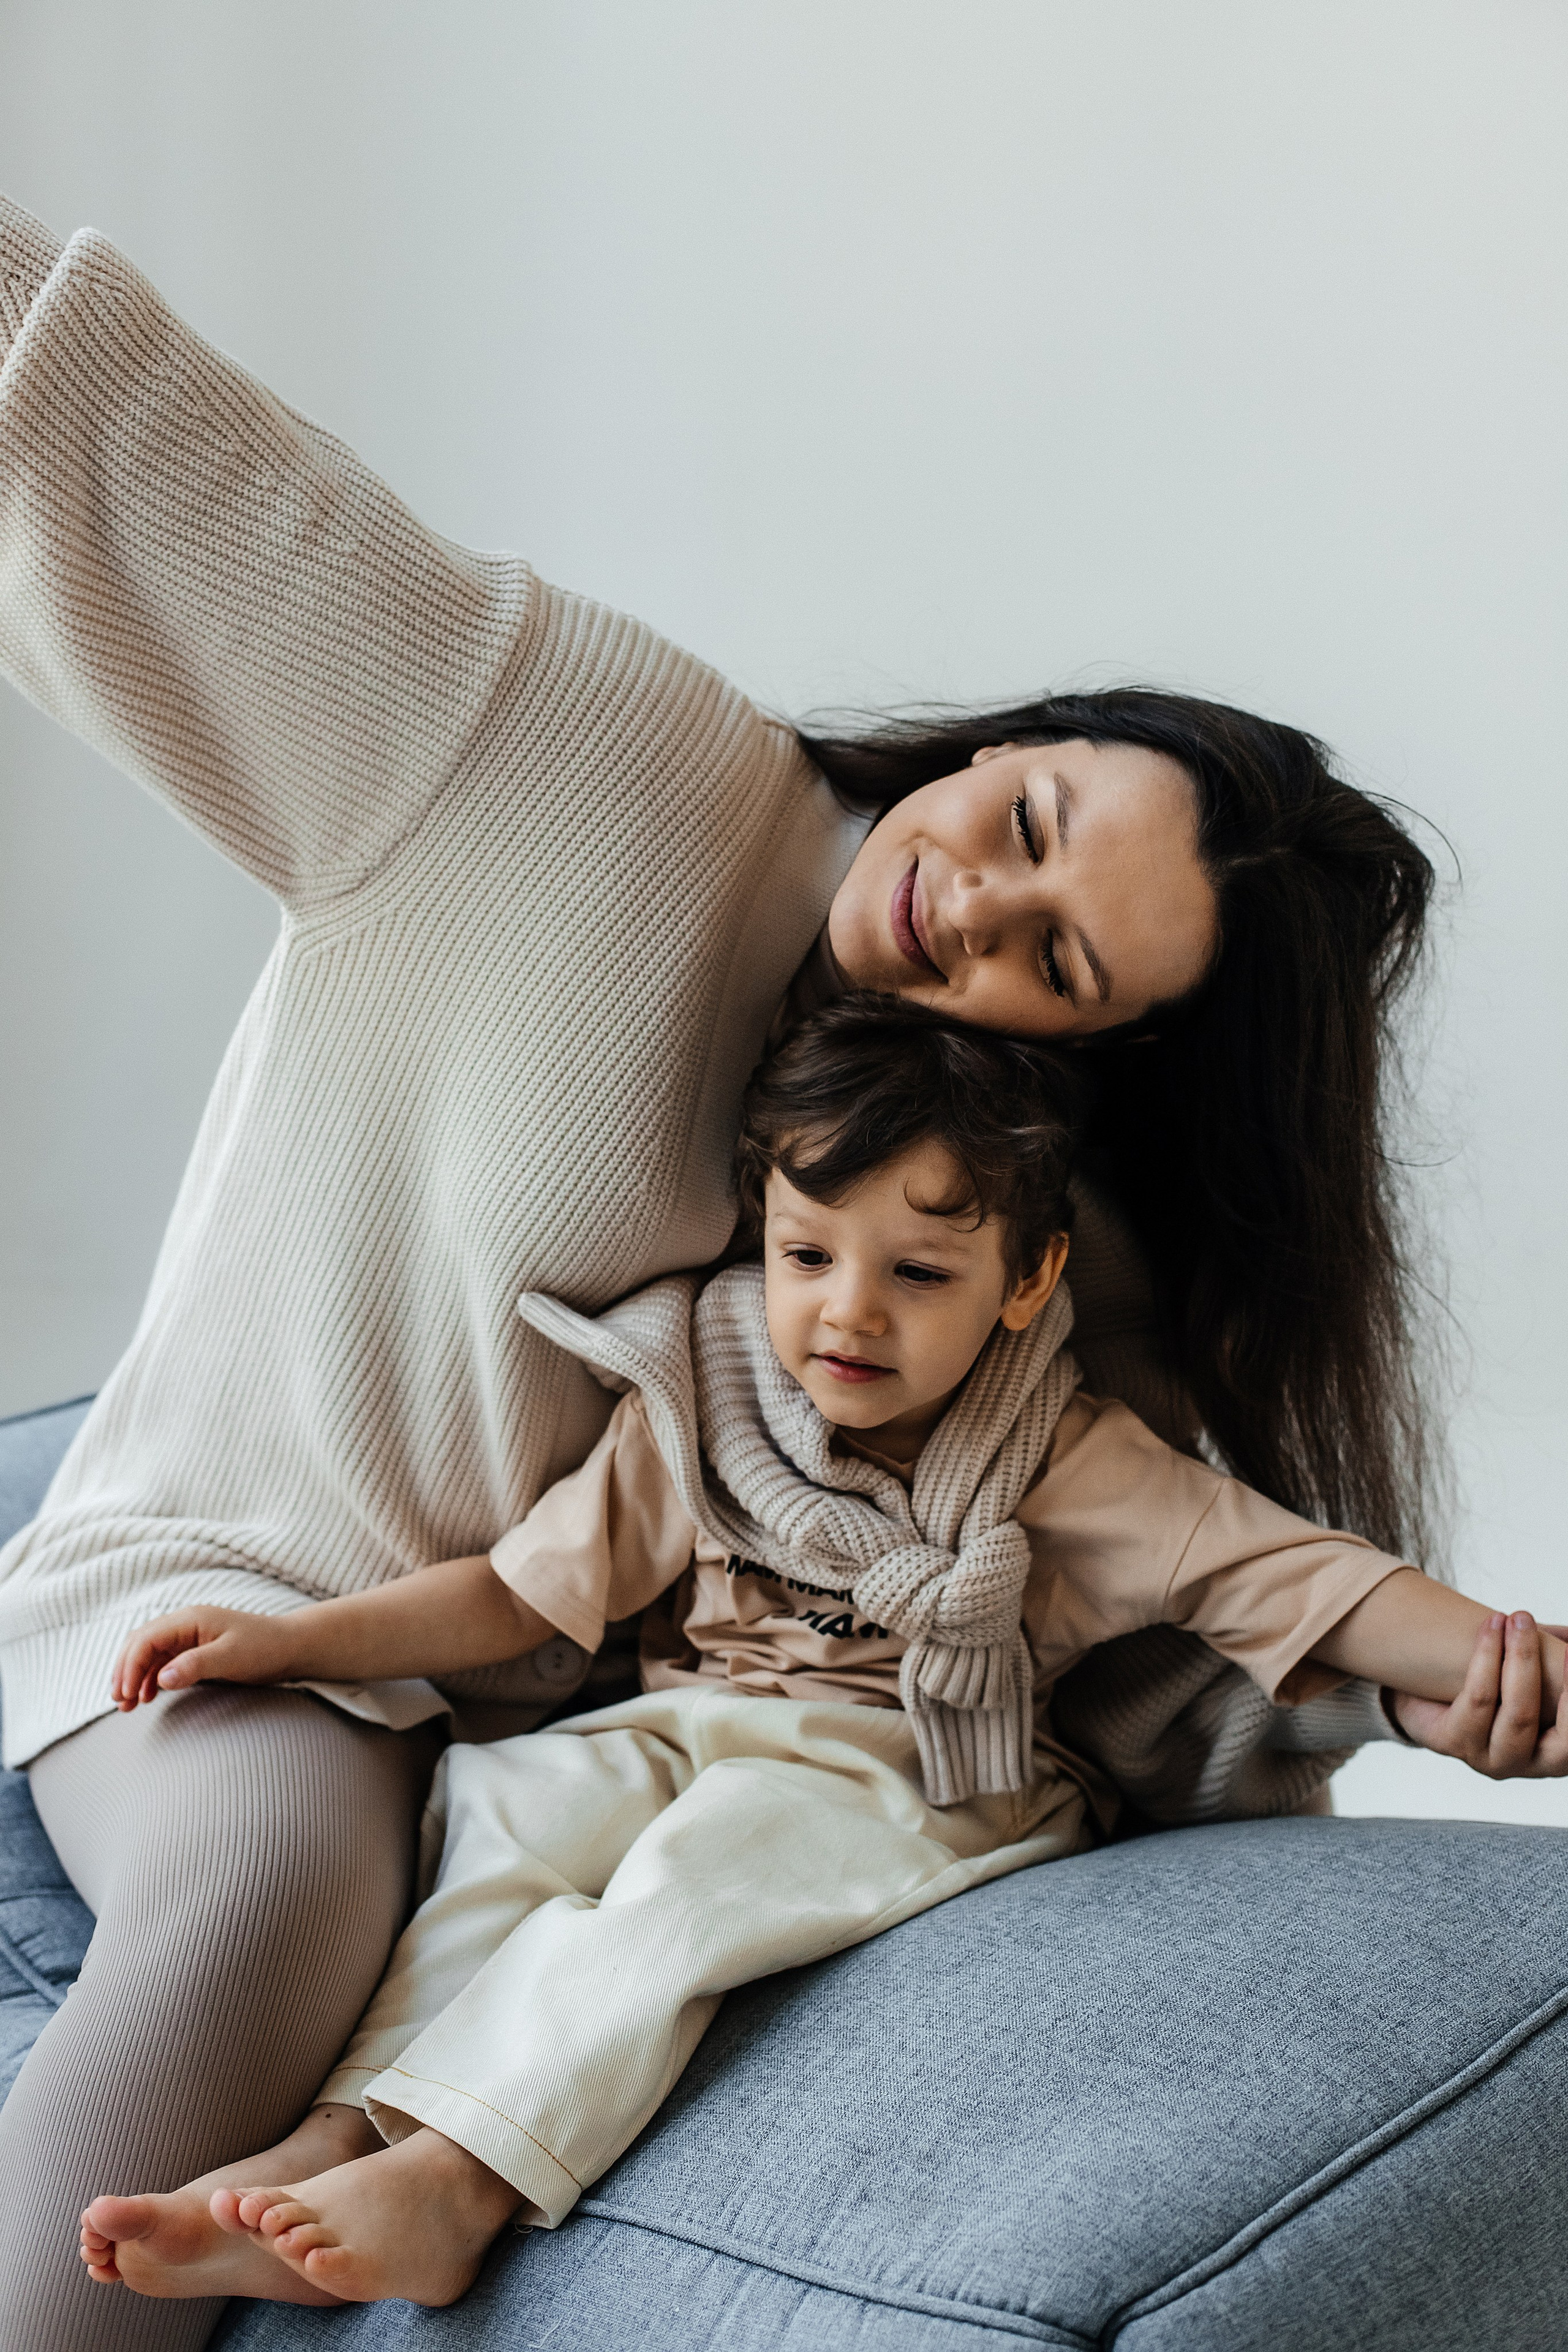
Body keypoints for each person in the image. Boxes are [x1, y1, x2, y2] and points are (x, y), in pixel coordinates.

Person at [0, 192, 1549, 2351]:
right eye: (1017, 822)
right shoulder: (577, 759)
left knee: (622, 1892)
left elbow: (1150, 1572)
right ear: (1001, 744)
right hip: (265, 1596)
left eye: (1059, 962)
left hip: (646, 1729)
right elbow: (101, 436)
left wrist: (1417, 1678)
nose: (969, 917)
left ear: (1102, 1040)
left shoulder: (996, 1187)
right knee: (277, 1897)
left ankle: (405, 2164)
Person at [75, 1000, 1568, 2312]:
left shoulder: (1065, 1459)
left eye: (920, 1273)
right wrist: (286, 1642)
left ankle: (454, 2186)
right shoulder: (708, 1386)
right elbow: (517, 1598)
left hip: (918, 1767)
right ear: (760, 1232)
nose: (846, 1312)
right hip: (674, 1721)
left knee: (700, 1872)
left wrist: (1513, 1656)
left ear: (1027, 1279)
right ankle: (336, 2138)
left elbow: (1302, 1576)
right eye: (808, 1253)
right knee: (500, 1821)